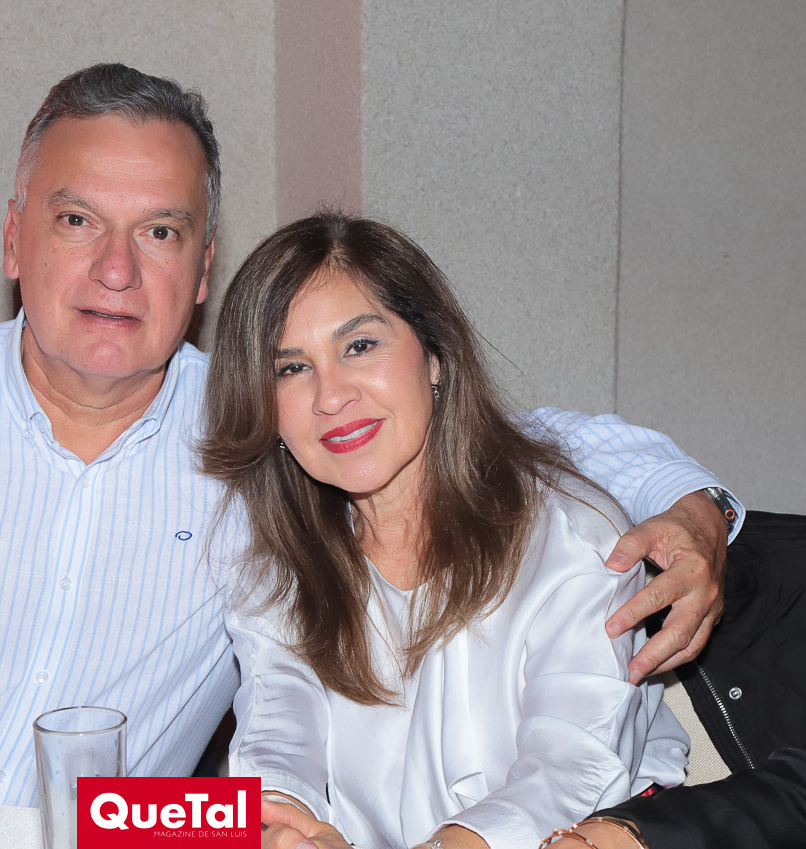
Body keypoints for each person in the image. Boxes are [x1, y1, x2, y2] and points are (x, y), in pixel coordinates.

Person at [0, 63, 736, 840]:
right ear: (13, 237)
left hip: (116, 840)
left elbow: (506, 436)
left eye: (161, 231)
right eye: (77, 221)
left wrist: (692, 503)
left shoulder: (256, 434)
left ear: (204, 266)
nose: (117, 269)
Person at [200, 212, 690, 849]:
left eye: (360, 346)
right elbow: (278, 727)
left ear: (434, 356)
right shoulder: (276, 562)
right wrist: (278, 822)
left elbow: (573, 766)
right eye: (290, 368)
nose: (330, 396)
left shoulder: (575, 540)